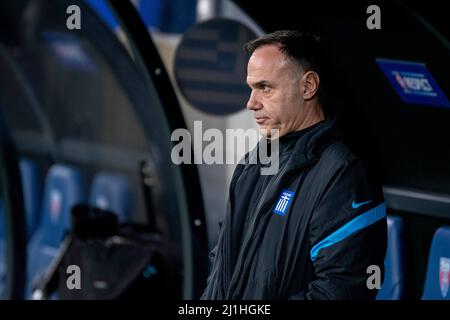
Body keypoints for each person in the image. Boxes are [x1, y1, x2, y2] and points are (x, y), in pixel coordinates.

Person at [201, 30, 387, 300]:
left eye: (265, 87)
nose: (251, 103)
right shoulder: (255, 161)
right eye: (251, 88)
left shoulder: (343, 171)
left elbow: (341, 288)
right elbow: (221, 262)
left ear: (308, 86)